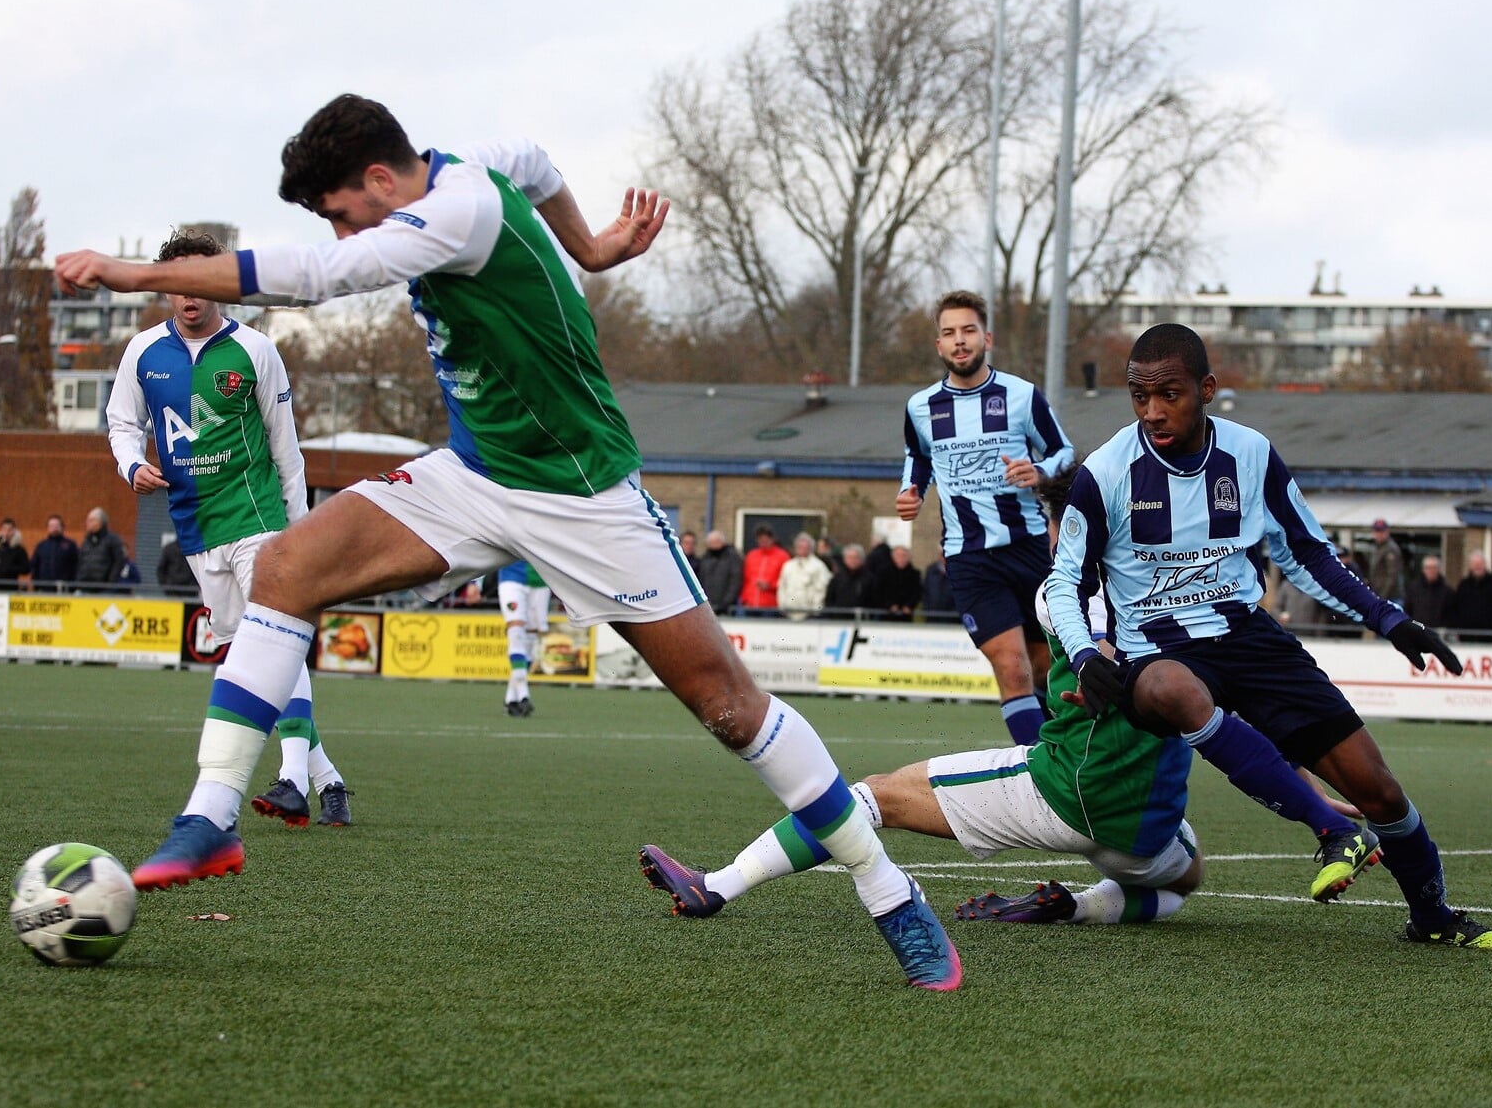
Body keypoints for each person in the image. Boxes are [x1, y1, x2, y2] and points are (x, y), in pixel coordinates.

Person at [55, 93, 958, 988]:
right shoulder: (469, 164)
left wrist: (132, 275)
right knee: (285, 565)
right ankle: (212, 812)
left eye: (339, 215)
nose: (340, 236)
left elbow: (310, 278)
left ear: (377, 179)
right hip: (477, 476)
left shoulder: (454, 213)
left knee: (731, 708)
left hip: (584, 497)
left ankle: (889, 891)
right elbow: (533, 153)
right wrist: (592, 248)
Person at [1047, 322, 1492, 949]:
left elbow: (1308, 554)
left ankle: (1432, 917)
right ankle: (1329, 830)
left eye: (1170, 395)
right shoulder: (1104, 473)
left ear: (1207, 389)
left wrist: (1389, 619)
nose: (1153, 411)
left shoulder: (1251, 455)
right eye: (1139, 396)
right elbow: (1063, 582)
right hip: (1156, 651)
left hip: (1248, 637)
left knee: (1378, 788)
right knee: (1172, 687)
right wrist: (1083, 654)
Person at [642, 466, 1205, 927]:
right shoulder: (1191, 597)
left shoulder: (1059, 591)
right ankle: (1079, 907)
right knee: (1189, 876)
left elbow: (1095, 642)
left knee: (873, 796)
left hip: (1072, 791)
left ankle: (716, 884)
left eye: (1050, 522)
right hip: (1149, 824)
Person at [106, 229, 353, 833]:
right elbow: (120, 423)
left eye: (199, 283)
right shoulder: (142, 353)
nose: (189, 297)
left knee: (275, 635)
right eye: (177, 285)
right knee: (249, 652)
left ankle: (292, 777)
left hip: (258, 519)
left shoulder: (255, 350)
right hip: (195, 528)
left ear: (216, 285)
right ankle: (326, 780)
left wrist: (298, 533)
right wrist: (132, 464)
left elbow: (286, 449)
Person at [899, 289, 1074, 745]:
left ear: (987, 338)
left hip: (1030, 548)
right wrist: (910, 490)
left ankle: (1067, 759)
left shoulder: (1021, 396)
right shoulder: (921, 407)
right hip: (969, 557)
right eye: (949, 333)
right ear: (938, 345)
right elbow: (917, 457)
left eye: (968, 331)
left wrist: (1037, 471)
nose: (960, 341)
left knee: (1041, 668)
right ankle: (1039, 776)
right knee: (1011, 667)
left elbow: (1064, 452)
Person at [497, 559, 552, 716]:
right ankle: (524, 695)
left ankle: (511, 700)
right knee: (516, 633)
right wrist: (476, 582)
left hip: (540, 580)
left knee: (529, 642)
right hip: (511, 576)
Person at [1448, 551, 1492, 643]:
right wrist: (1458, 626)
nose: (1477, 566)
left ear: (1485, 565)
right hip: (1466, 637)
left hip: (1489, 637)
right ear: (1470, 566)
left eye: (1480, 563)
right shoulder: (1463, 585)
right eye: (1475, 564)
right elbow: (1454, 608)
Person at [776, 532, 831, 620]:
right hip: (788, 613)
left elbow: (821, 590)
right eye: (800, 547)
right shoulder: (788, 566)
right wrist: (782, 607)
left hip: (810, 615)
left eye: (806, 547)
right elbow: (782, 587)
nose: (802, 549)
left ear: (811, 548)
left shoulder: (819, 566)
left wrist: (816, 610)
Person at [739, 524, 788, 615]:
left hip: (771, 606)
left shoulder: (782, 556)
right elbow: (746, 580)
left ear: (772, 539)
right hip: (750, 604)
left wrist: (770, 586)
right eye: (760, 540)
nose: (763, 542)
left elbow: (787, 581)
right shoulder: (751, 555)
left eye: (766, 540)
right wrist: (745, 599)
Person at [76, 507, 128, 591]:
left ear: (99, 522)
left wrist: (111, 583)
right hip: (84, 587)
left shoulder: (113, 540)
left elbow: (119, 561)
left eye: (91, 520)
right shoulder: (86, 541)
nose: (87, 523)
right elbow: (80, 561)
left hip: (104, 590)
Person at [868, 545, 923, 622]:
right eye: (898, 555)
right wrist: (889, 605)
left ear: (909, 557)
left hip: (906, 616)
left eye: (904, 555)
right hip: (885, 615)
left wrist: (909, 605)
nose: (901, 558)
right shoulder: (883, 573)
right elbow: (878, 591)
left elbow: (917, 592)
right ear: (893, 557)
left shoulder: (915, 574)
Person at [694, 530, 742, 617]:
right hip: (708, 606)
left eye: (716, 542)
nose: (713, 545)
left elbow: (735, 582)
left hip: (727, 608)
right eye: (711, 543)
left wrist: (725, 603)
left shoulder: (732, 558)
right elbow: (701, 580)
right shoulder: (705, 558)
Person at [28, 515, 78, 591]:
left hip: (64, 589)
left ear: (62, 527)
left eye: (57, 525)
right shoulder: (41, 546)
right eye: (51, 526)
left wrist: (72, 586)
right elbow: (34, 566)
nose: (54, 528)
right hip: (44, 589)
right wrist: (36, 585)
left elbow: (76, 566)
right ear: (47, 528)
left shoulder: (70, 545)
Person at [1405, 555, 1453, 631]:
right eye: (1428, 568)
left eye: (1434, 568)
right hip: (1417, 630)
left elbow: (1450, 613)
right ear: (1423, 570)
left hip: (1438, 632)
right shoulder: (1413, 589)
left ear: (1438, 569)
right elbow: (1407, 610)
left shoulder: (1447, 591)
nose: (1431, 571)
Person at [825, 543, 871, 618]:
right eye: (849, 557)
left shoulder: (868, 579)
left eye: (856, 557)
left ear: (861, 559)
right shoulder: (837, 578)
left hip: (860, 621)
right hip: (838, 621)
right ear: (844, 559)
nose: (852, 560)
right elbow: (829, 599)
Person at [1365, 518, 1405, 604]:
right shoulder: (1377, 548)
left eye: (1381, 531)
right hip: (1379, 594)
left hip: (1391, 597)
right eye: (1377, 531)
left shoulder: (1391, 549)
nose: (1379, 534)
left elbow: (1392, 576)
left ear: (1387, 532)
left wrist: (1382, 597)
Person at [0, 519, 31, 590]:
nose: (6, 532)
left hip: (10, 585)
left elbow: (26, 569)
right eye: (4, 529)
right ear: (1, 530)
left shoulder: (19, 550)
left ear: (14, 531)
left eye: (9, 530)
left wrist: (9, 569)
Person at [156, 531, 200, 598]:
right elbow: (161, 569)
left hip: (191, 591)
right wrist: (166, 586)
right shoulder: (169, 548)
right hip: (173, 590)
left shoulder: (195, 549)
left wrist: (196, 585)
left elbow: (199, 567)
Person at [921, 554, 956, 619]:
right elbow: (925, 591)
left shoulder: (958, 571)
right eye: (943, 555)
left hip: (952, 617)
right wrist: (926, 609)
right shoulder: (931, 570)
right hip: (931, 615)